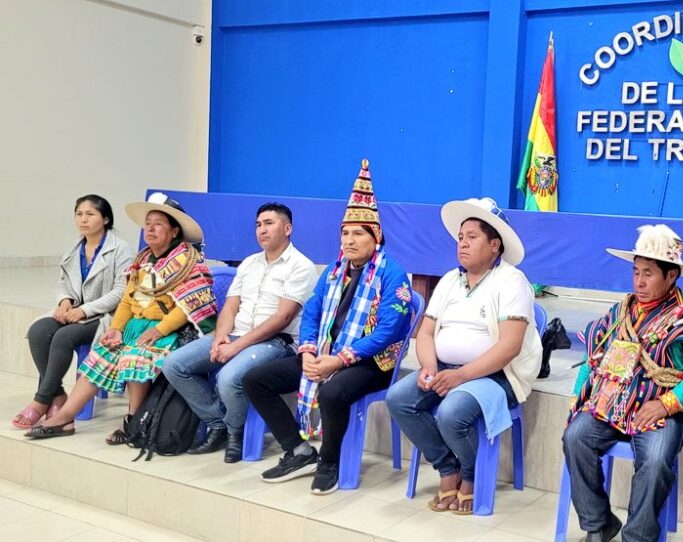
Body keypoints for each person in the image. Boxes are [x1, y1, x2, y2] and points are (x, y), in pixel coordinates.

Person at [562, 224, 683, 542]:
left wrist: (666, 405)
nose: (639, 280)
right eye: (636, 271)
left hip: (657, 408)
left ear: (671, 276)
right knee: (575, 437)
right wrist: (579, 400)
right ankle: (599, 525)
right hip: (610, 404)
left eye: (649, 273)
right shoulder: (620, 312)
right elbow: (594, 359)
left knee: (654, 461)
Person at [244, 161, 411, 494]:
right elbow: (311, 313)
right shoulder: (334, 272)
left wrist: (339, 360)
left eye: (358, 233)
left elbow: (388, 332)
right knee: (255, 379)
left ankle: (329, 461)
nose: (349, 240)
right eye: (345, 233)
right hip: (323, 354)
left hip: (371, 363)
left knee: (333, 392)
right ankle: (299, 451)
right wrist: (308, 352)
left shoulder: (392, 275)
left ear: (376, 237)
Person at [386, 197, 542, 515]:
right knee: (398, 399)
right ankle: (448, 468)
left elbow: (509, 347)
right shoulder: (449, 281)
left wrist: (460, 376)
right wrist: (429, 367)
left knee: (451, 411)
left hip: (497, 374)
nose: (463, 243)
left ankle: (471, 476)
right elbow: (426, 333)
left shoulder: (511, 281)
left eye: (472, 237)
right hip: (446, 368)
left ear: (495, 245)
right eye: (460, 237)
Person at [26, 193, 218, 442]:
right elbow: (128, 300)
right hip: (136, 326)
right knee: (101, 355)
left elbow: (188, 306)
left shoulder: (189, 261)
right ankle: (64, 418)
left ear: (173, 231)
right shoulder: (143, 260)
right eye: (148, 224)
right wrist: (116, 329)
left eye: (158, 224)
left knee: (134, 358)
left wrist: (159, 330)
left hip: (172, 331)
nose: (150, 229)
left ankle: (133, 423)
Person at [161, 202, 318, 462]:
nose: (262, 229)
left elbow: (283, 318)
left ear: (287, 228)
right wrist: (220, 337)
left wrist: (236, 346)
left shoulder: (301, 266)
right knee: (174, 364)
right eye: (258, 224)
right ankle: (217, 423)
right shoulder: (249, 263)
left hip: (276, 342)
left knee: (228, 378)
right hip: (235, 334)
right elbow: (231, 307)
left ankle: (236, 432)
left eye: (269, 223)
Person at [13, 195, 135, 429]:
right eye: (79, 214)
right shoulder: (74, 247)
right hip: (74, 311)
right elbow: (63, 281)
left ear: (106, 219)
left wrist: (84, 310)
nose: (83, 219)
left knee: (64, 336)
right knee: (39, 330)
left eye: (90, 214)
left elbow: (122, 292)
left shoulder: (121, 249)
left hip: (106, 316)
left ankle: (41, 400)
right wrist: (65, 302)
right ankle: (57, 394)